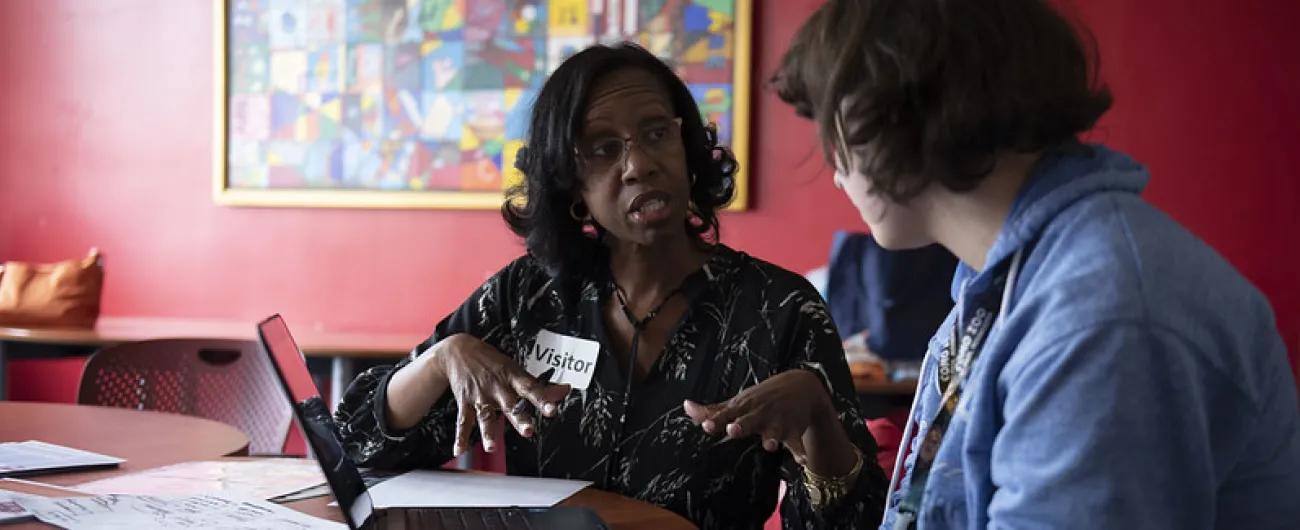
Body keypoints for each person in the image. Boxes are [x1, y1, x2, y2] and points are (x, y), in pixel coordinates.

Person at [772, 1, 1300, 529]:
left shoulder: (1099, 315)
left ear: (891, 112)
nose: (833, 167)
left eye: (832, 128)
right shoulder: (1006, 280)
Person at [334, 42, 888, 530]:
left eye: (655, 134)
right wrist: (442, 359)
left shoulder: (779, 309)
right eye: (604, 149)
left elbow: (858, 521)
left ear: (688, 151)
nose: (638, 165)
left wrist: (820, 422)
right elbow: (357, 443)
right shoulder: (529, 296)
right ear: (572, 185)